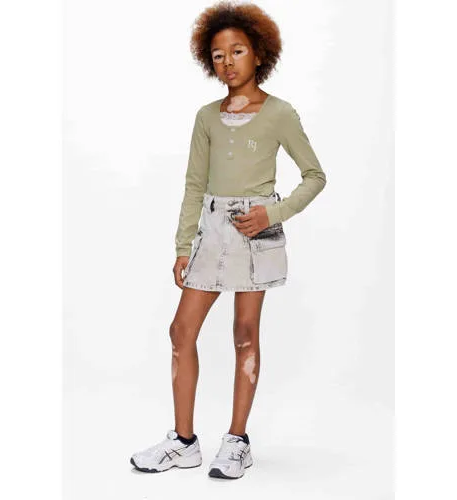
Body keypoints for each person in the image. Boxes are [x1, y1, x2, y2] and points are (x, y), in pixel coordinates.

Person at [130, 0, 327, 480]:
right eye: (218, 55)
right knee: (181, 331)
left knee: (244, 334)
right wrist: (183, 247)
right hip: (212, 232)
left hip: (256, 233)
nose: (227, 62)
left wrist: (272, 213)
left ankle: (237, 440)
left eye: (237, 51)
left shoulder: (279, 113)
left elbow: (315, 176)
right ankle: (183, 441)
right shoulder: (206, 117)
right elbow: (194, 185)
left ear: (259, 53)